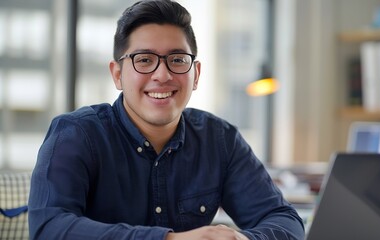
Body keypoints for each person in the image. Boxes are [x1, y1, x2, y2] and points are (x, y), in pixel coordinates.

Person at [28, 0, 305, 239]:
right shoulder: (77, 134)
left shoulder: (219, 139)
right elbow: (49, 228)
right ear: (117, 74)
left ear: (195, 74)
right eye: (145, 60)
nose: (162, 75)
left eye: (177, 59)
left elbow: (285, 221)